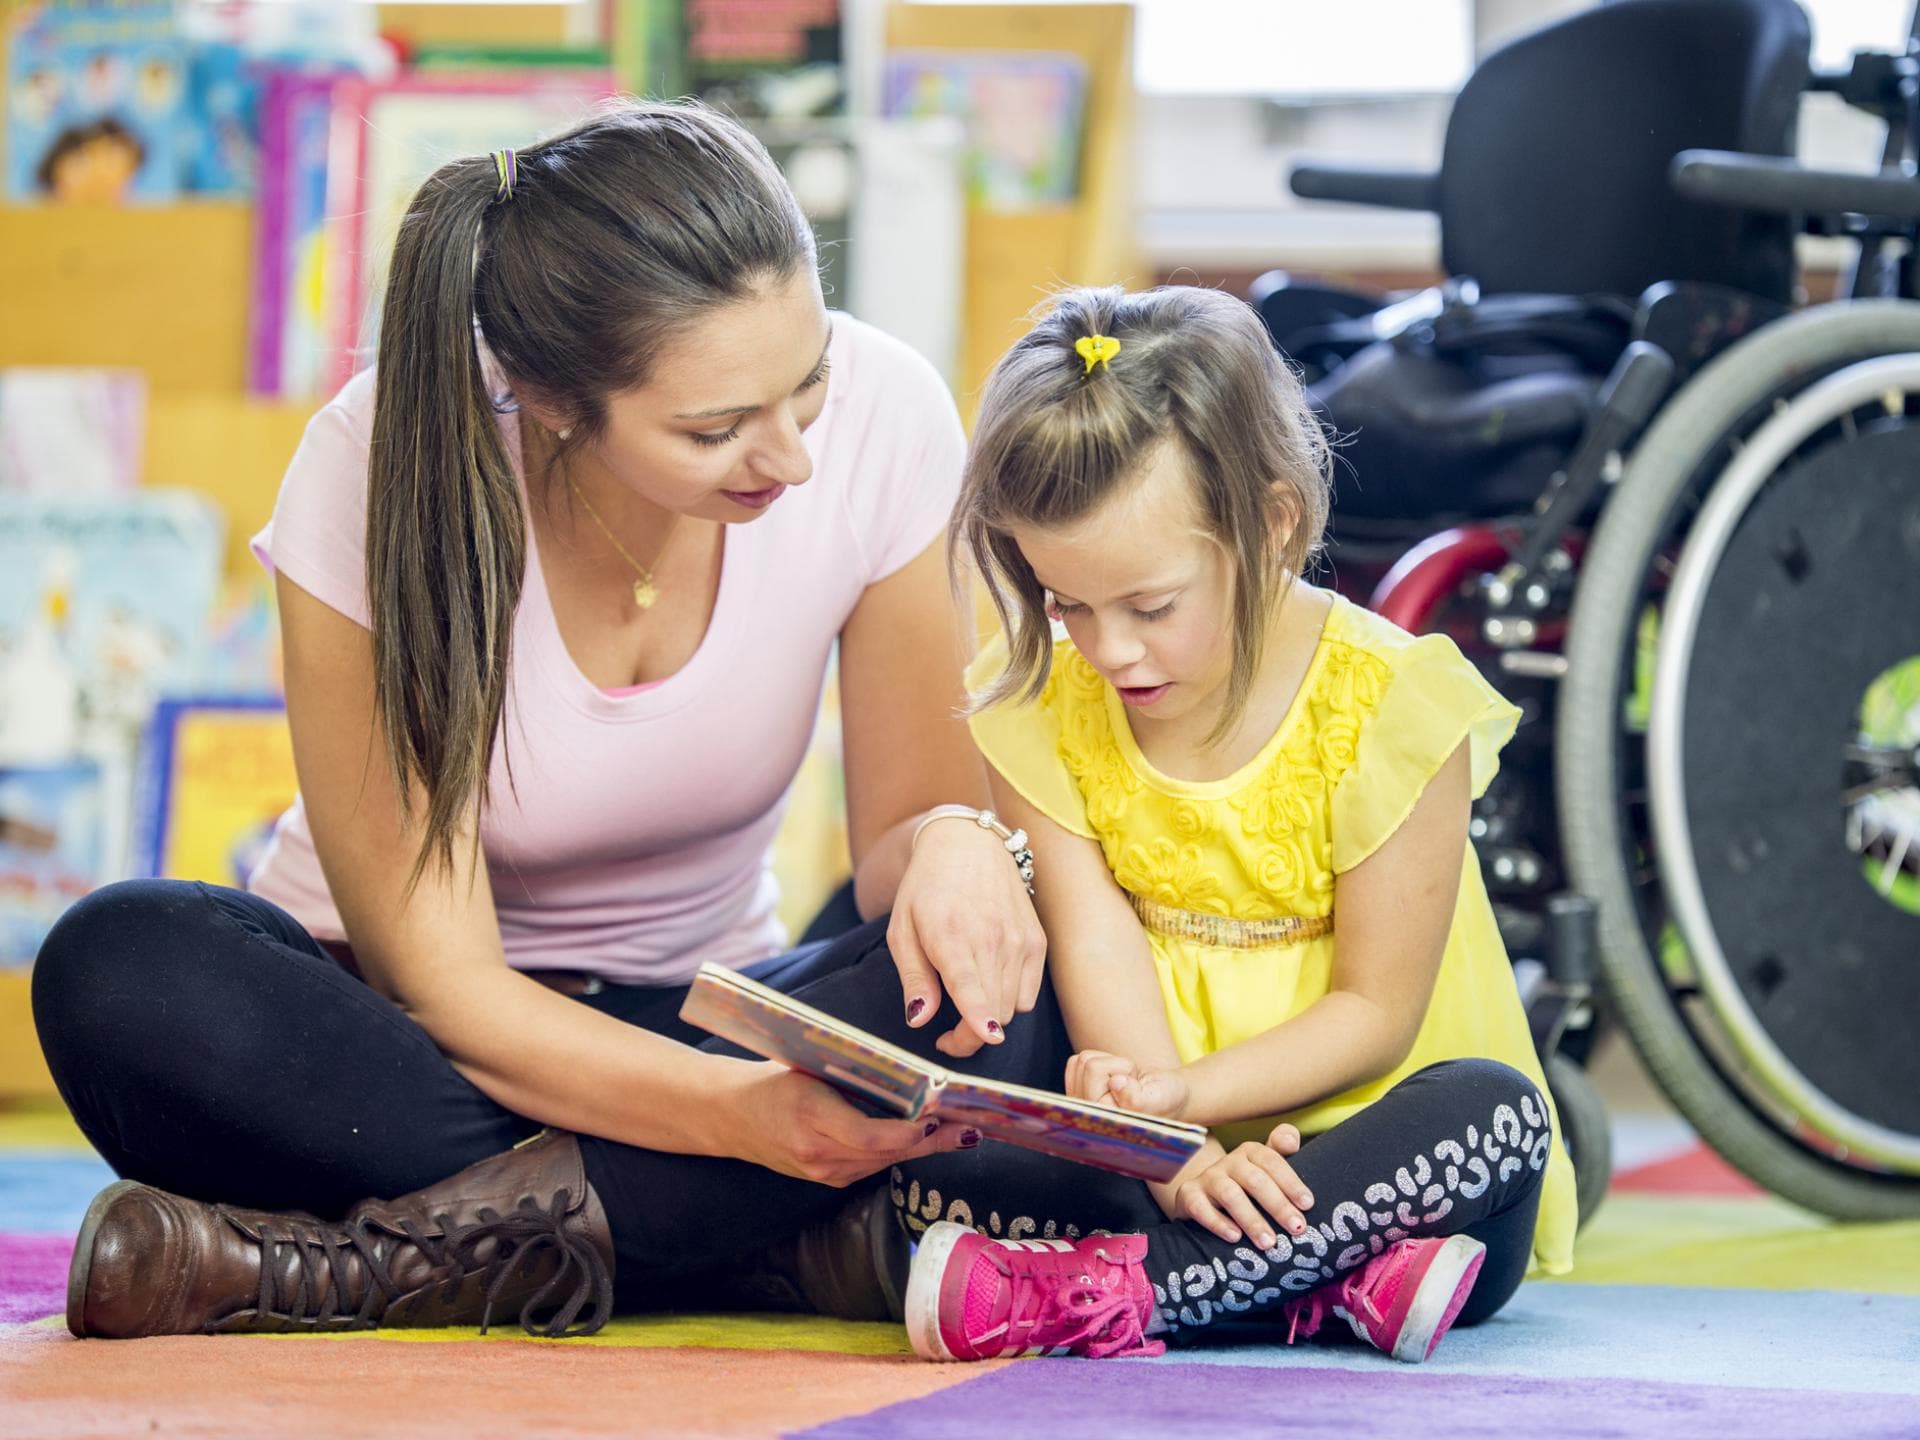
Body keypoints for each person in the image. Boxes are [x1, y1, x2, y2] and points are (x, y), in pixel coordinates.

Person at [32, 99, 1049, 1339]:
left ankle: (378, 1262)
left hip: (703, 1006)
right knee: (122, 969)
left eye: (808, 384)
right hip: (410, 1051)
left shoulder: (890, 417)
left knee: (1007, 983)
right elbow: (450, 989)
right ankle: (726, 1235)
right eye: (714, 430)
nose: (788, 457)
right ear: (554, 401)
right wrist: (736, 1124)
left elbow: (902, 842)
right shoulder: (377, 464)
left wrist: (958, 842)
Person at [893, 284, 1578, 1364]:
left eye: (1150, 607)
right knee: (941, 1124)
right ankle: (1313, 1286)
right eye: (1065, 601)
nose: (1107, 650)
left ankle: (1102, 1298)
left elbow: (1377, 1012)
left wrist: (1187, 1100)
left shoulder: (1397, 705)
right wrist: (1174, 1151)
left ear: (1272, 524)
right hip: (1158, 1161)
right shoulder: (1040, 698)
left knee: (1496, 1120)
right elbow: (1093, 938)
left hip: (1376, 1156)